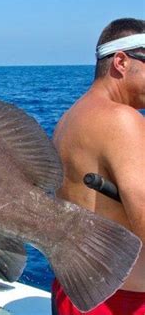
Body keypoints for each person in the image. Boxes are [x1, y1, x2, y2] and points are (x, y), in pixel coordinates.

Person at [52, 18, 145, 314]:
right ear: (121, 61)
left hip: (74, 293)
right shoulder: (122, 119)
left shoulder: (68, 120)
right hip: (121, 303)